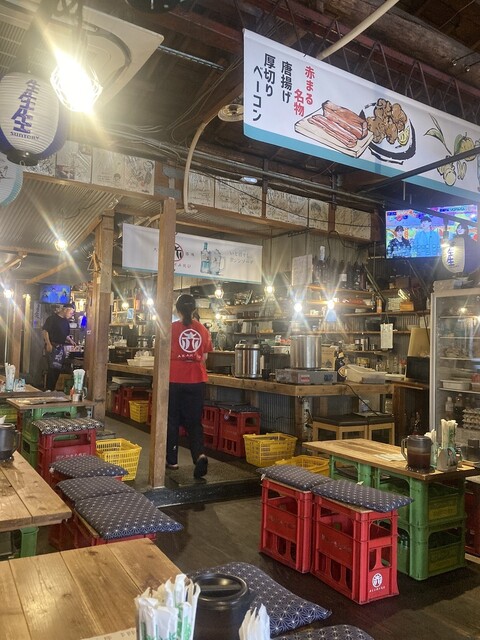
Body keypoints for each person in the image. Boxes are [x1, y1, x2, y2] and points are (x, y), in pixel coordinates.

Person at [167, 294, 212, 478]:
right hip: (196, 380)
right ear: (194, 310)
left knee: (172, 420)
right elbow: (205, 357)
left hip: (174, 379)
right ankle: (199, 455)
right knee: (194, 422)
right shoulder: (202, 329)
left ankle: (172, 461)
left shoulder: (171, 329)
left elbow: (163, 353)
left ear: (177, 310)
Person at [42, 303, 76, 391]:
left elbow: (65, 335)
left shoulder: (66, 322)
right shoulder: (52, 319)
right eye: (71, 313)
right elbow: (45, 331)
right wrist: (48, 344)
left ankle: (52, 389)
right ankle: (48, 389)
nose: (71, 315)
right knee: (52, 368)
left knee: (57, 368)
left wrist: (71, 341)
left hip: (60, 348)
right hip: (52, 345)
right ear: (65, 310)